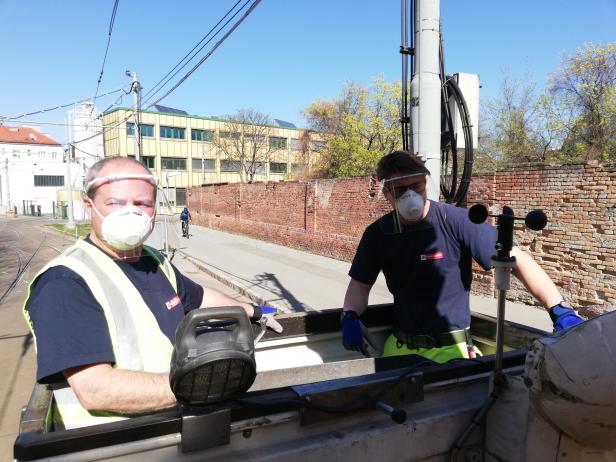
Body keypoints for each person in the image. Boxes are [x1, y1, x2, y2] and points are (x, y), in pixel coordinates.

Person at [23, 156, 280, 429]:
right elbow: (95, 389)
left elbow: (200, 297)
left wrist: (254, 310)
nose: (131, 213)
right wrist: (198, 386)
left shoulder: (153, 261)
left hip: (174, 427)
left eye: (142, 203)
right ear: (89, 207)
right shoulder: (66, 281)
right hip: (117, 443)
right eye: (116, 203)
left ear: (154, 210)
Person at [341, 151, 584, 362]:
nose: (410, 196)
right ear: (387, 192)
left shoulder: (455, 221)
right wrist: (349, 315)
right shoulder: (378, 233)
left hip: (452, 349)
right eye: (400, 189)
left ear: (426, 182)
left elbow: (514, 258)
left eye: (416, 186)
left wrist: (559, 309)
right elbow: (360, 285)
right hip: (400, 348)